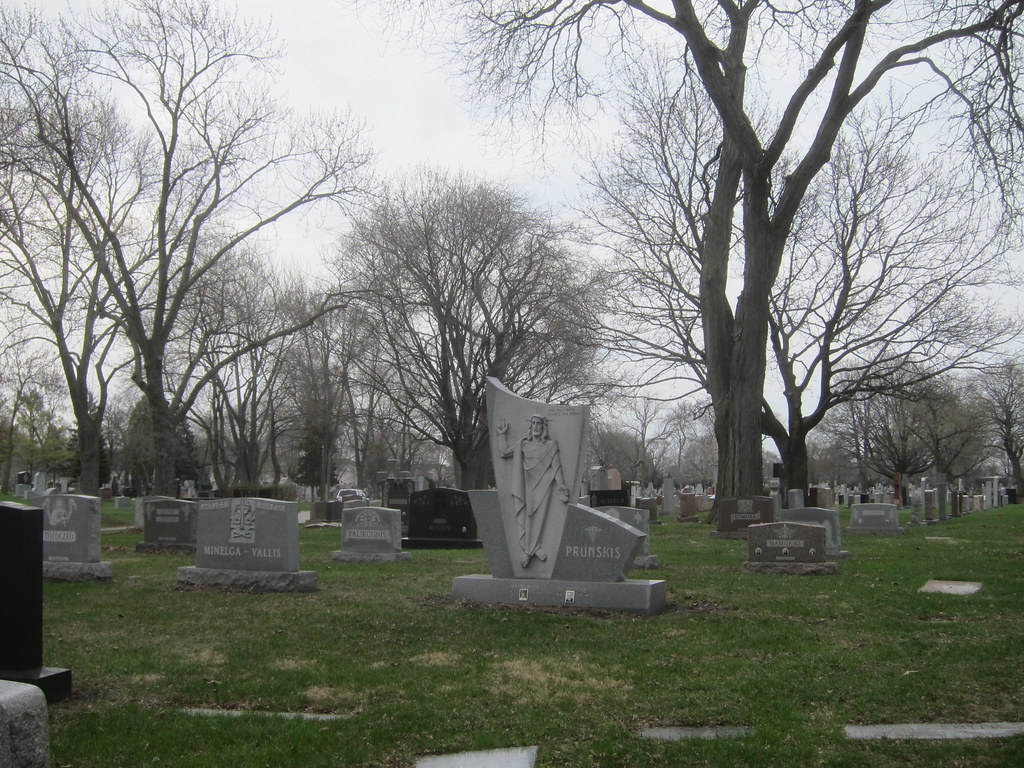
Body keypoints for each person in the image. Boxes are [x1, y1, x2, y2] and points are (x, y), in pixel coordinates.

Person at [497, 413, 570, 568]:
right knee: (527, 516)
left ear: (544, 427)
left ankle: (530, 551)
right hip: (527, 486)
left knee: (540, 519)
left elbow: (556, 467)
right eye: (534, 424)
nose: (536, 427)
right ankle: (533, 549)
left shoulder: (551, 445)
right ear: (531, 426)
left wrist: (561, 486)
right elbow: (503, 452)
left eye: (539, 424)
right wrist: (502, 435)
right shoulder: (523, 444)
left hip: (545, 485)